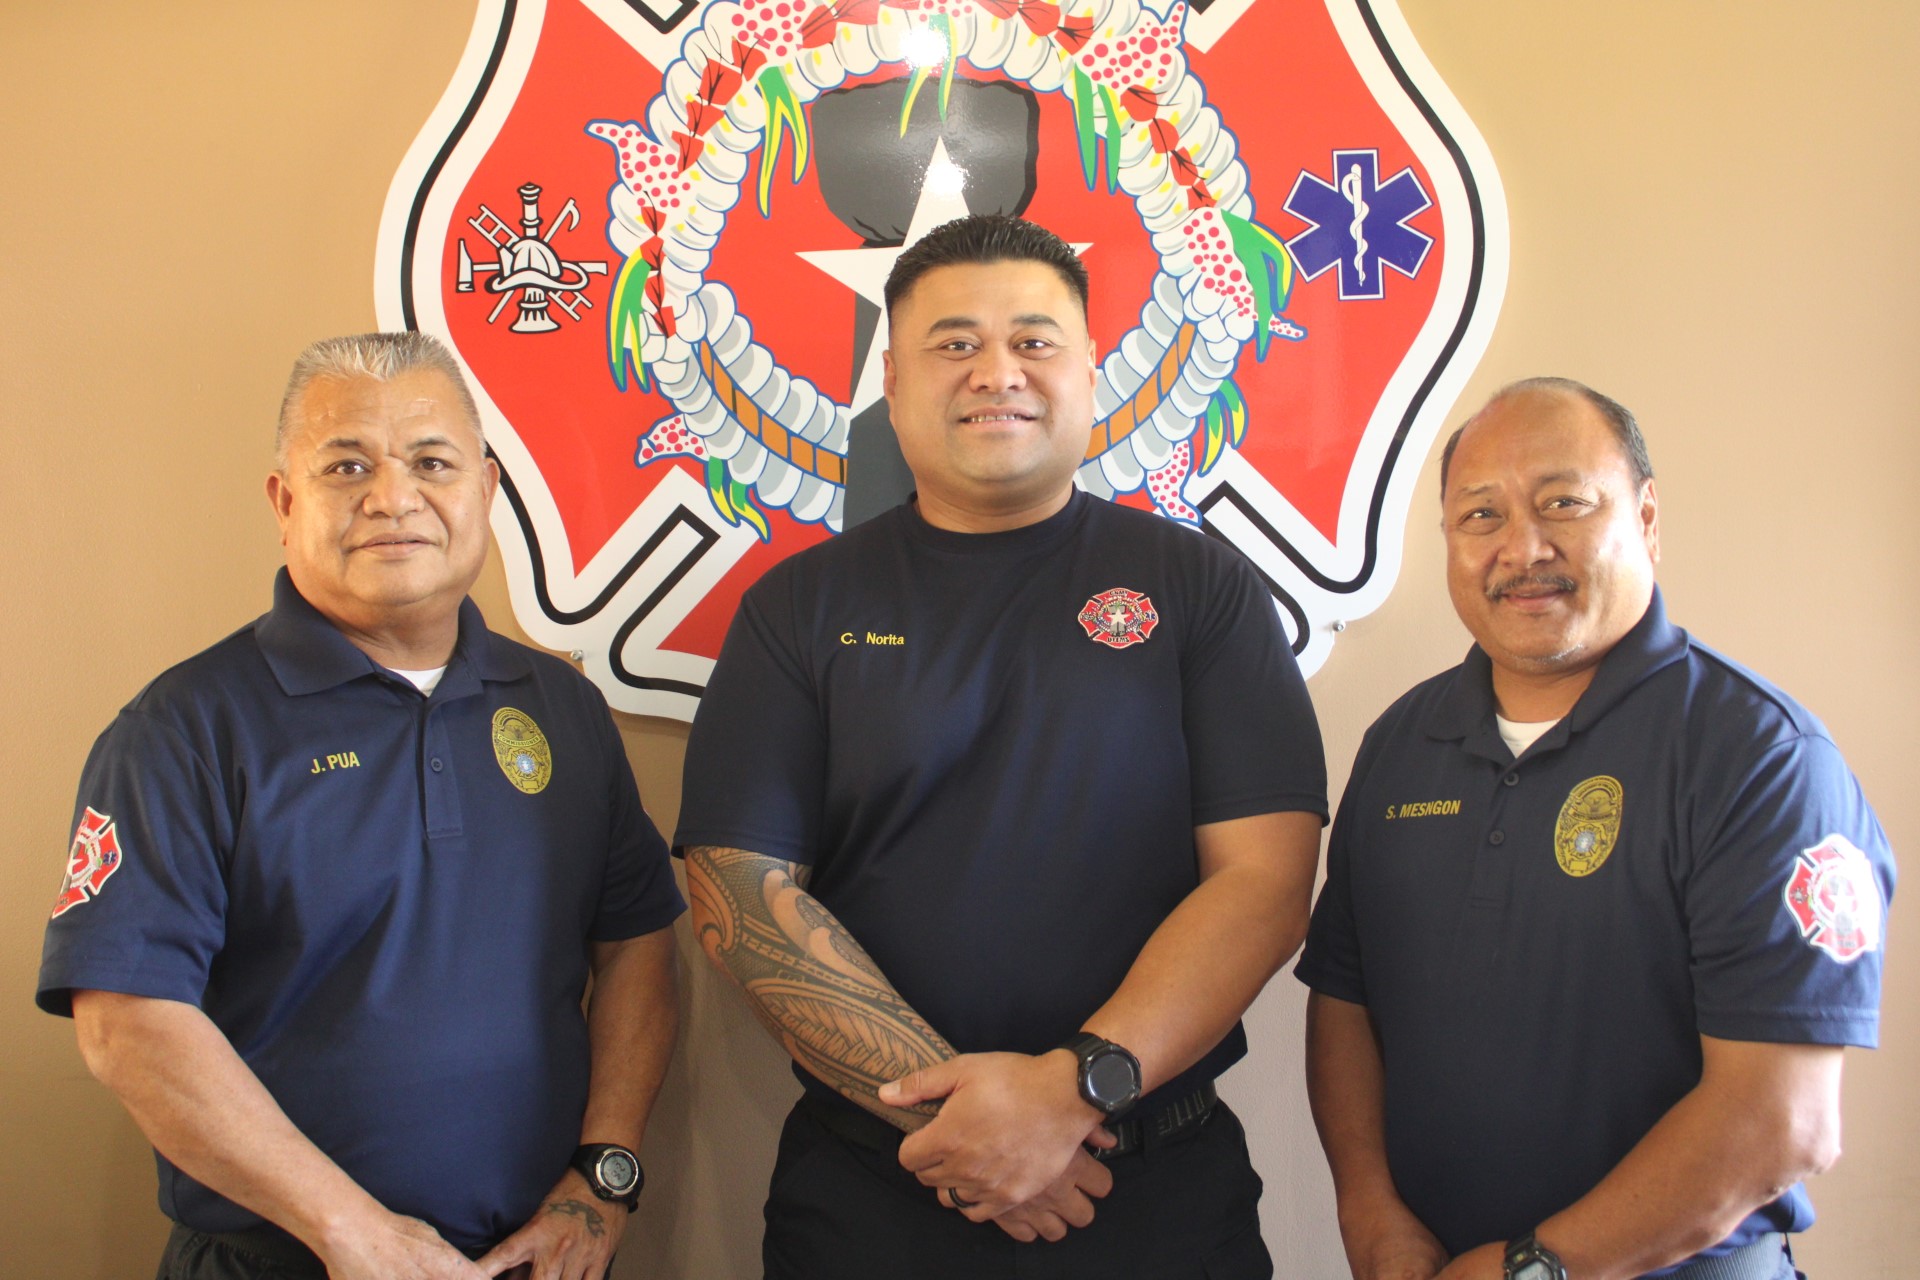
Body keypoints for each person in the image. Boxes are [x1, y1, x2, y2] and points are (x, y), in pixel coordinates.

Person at [674, 213, 1328, 1279]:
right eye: (954, 342)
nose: (996, 371)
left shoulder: (1199, 589)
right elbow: (738, 894)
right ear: (890, 375)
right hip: (877, 1189)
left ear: (1087, 367)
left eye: (1034, 339)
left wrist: (1070, 1090)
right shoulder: (797, 607)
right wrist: (972, 1127)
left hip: (1149, 1183)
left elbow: (1264, 883)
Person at [37, 332, 685, 1280]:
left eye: (432, 462)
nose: (393, 497)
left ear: (488, 491)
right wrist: (351, 1230)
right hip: (290, 1259)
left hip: (539, 1258)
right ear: (285, 502)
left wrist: (603, 1178)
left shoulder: (564, 710)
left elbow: (635, 941)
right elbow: (127, 1022)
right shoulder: (183, 729)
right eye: (348, 466)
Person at [1296, 377, 1895, 1280]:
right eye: (1480, 516)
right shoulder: (1401, 745)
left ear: (1646, 517)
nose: (1521, 548)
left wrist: (1538, 1267)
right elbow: (1345, 1001)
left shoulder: (1759, 757)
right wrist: (1371, 1213)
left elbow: (1785, 1122)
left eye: (1564, 504)